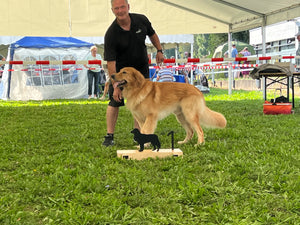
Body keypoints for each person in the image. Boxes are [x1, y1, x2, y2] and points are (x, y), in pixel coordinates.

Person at [102, 0, 164, 146]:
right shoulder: (111, 33)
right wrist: (116, 85)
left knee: (141, 102)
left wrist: (159, 50)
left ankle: (139, 134)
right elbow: (111, 62)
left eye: (122, 7)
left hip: (141, 70)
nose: (120, 11)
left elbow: (152, 34)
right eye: (116, 8)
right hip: (122, 73)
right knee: (114, 101)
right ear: (112, 11)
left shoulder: (141, 20)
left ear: (128, 7)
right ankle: (109, 135)